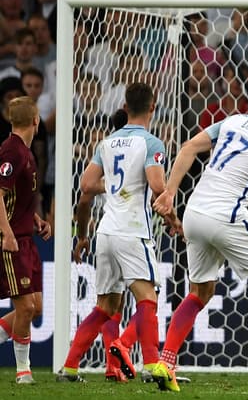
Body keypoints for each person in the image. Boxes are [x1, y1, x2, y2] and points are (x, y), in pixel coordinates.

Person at [151, 75, 248, 393]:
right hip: (227, 215)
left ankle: (165, 362)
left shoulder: (234, 121)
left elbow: (188, 148)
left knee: (200, 291)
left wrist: (169, 192)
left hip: (195, 212)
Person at [59, 84, 173, 383]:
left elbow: (85, 186)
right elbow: (158, 186)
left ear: (125, 106)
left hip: (105, 232)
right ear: (153, 105)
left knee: (105, 306)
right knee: (148, 299)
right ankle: (152, 365)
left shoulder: (106, 143)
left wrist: (83, 233)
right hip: (133, 231)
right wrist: (173, 214)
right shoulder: (152, 143)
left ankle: (70, 367)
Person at [0, 97, 49, 384]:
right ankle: (23, 371)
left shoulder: (25, 153)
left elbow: (18, 200)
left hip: (26, 237)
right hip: (12, 240)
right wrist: (6, 233)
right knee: (26, 308)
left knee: (36, 307)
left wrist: (36, 220)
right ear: (36, 120)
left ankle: (23, 370)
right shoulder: (12, 152)